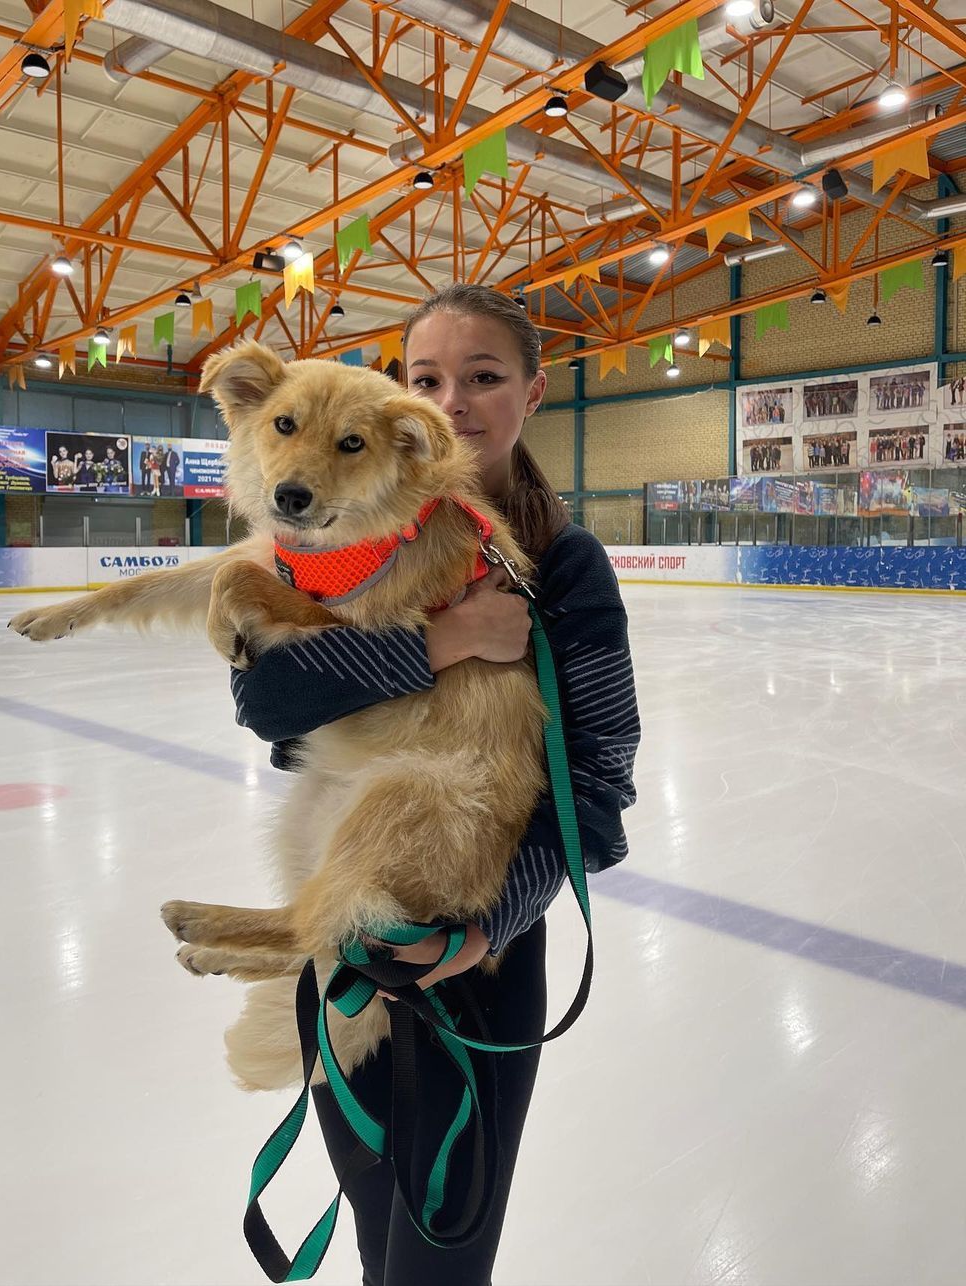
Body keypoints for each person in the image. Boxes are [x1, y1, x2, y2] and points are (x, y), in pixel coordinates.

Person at [228, 284, 640, 1286]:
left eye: (484, 377)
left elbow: (598, 784)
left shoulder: (563, 564)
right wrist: (440, 640)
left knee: (438, 1261)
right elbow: (267, 703)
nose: (452, 401)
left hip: (478, 966)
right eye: (426, 379)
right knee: (376, 1233)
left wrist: (482, 927)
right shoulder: (325, 536)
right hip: (344, 932)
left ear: (534, 391)